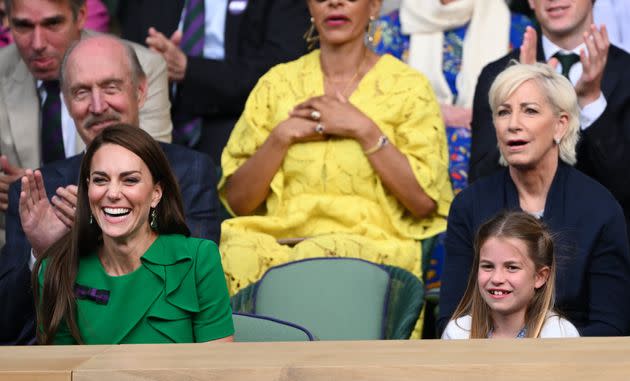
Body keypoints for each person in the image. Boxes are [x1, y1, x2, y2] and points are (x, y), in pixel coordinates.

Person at [219, 0, 453, 297]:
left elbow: (422, 203)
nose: (335, 3)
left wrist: (364, 130)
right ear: (310, 8)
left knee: (319, 258)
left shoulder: (409, 87)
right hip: (280, 241)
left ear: (374, 7)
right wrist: (280, 138)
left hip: (370, 244)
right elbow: (239, 203)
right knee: (238, 250)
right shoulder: (276, 84)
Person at [0, 34, 221, 345]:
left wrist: (87, 238)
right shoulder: (39, 190)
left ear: (141, 91)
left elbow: (189, 286)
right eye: (81, 92)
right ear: (66, 102)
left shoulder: (190, 170)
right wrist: (42, 255)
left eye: (110, 88)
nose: (98, 105)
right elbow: (8, 328)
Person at [439, 62, 630, 337]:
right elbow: (451, 317)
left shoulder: (600, 208)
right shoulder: (469, 205)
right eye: (503, 112)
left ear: (560, 125)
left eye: (529, 111)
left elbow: (610, 326)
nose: (513, 124)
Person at [29, 125, 233, 344]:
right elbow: (61, 373)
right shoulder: (57, 269)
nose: (113, 193)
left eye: (130, 180)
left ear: (156, 194)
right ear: (88, 189)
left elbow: (218, 369)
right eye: (100, 180)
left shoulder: (199, 260)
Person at [468, 0, 630, 242]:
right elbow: (480, 183)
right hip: (518, 242)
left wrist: (591, 100)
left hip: (605, 241)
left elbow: (625, 188)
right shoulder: (497, 75)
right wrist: (522, 96)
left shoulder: (626, 73)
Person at [0, 0, 172, 219]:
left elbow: (151, 170)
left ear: (81, 15)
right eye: (23, 26)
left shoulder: (139, 66)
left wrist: (37, 191)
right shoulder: (3, 68)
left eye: (52, 23)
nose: (38, 43)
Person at [119, 0, 310, 164]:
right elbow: (130, 56)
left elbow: (280, 70)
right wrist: (153, 62)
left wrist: (190, 69)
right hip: (158, 112)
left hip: (239, 117)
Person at [374, 0, 532, 192]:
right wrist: (435, 111)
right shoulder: (390, 28)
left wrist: (483, 114)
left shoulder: (518, 28)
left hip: (493, 174)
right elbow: (373, 102)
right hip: (411, 176)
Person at [442, 210, 580, 339]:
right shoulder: (457, 333)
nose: (497, 279)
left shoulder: (560, 334)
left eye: (512, 267)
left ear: (540, 277)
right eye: (488, 266)